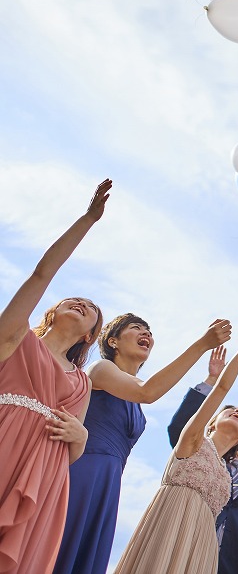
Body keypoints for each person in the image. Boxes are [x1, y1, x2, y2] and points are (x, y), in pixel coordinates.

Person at [54, 313, 232, 574]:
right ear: (113, 341)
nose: (146, 333)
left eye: (149, 331)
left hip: (109, 482)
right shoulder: (101, 369)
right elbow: (147, 391)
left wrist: (210, 380)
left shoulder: (133, 395)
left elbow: (145, 390)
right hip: (82, 469)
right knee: (62, 545)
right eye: (136, 328)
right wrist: (201, 345)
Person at [113, 299, 238, 574]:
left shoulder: (226, 475)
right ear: (210, 424)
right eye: (230, 410)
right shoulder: (193, 440)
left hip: (203, 543)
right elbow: (223, 387)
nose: (237, 412)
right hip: (172, 523)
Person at [0, 179, 110, 573]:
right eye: (73, 299)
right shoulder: (15, 338)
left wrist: (81, 437)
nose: (81, 303)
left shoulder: (83, 382)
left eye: (90, 309)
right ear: (52, 311)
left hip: (45, 476)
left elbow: (73, 448)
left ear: (90, 335)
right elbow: (40, 274)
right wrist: (87, 220)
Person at [168, 351, 238, 574]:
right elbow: (179, 428)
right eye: (230, 411)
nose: (237, 413)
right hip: (186, 542)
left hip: (232, 562)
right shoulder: (200, 453)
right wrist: (211, 380)